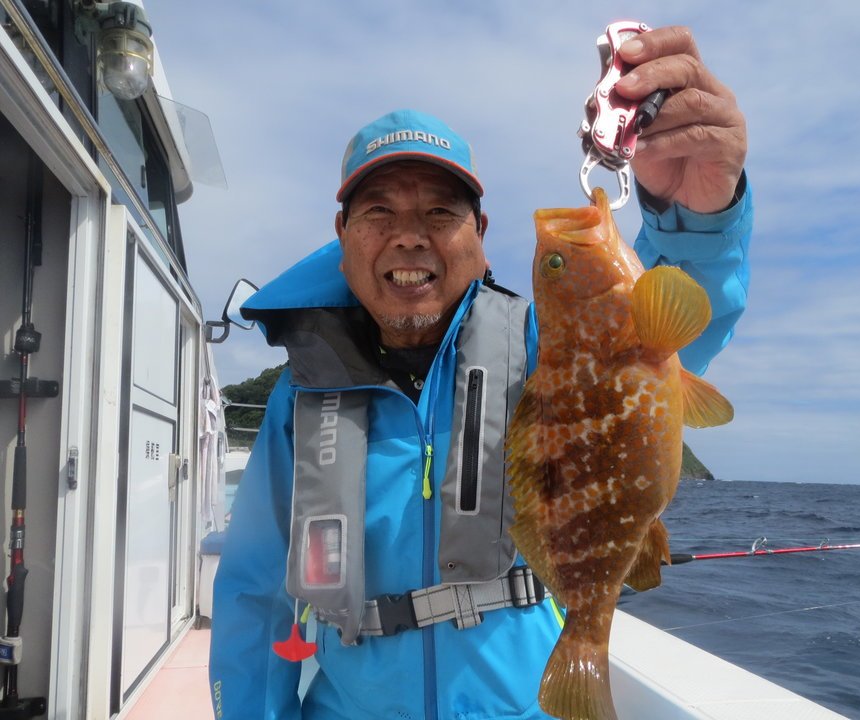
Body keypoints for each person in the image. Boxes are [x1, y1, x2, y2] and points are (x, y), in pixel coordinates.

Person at [210, 25, 752, 720]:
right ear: (342, 234)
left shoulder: (544, 346)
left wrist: (697, 214)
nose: (411, 234)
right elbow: (255, 595)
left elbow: (665, 329)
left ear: (480, 235)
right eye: (380, 210)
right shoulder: (302, 397)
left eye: (441, 211)